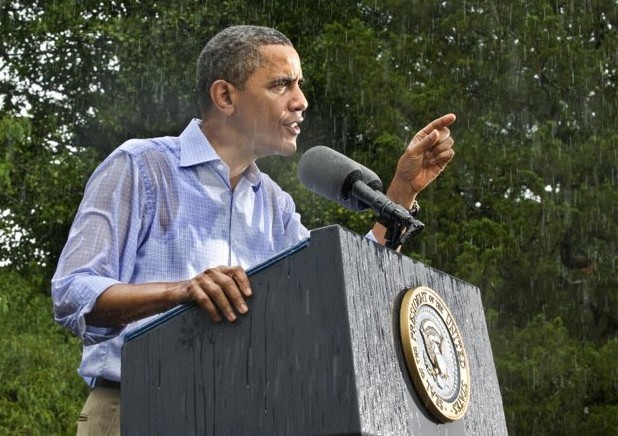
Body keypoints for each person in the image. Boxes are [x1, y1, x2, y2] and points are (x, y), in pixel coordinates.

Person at [51, 24, 455, 435]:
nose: (301, 102)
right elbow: (72, 292)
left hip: (242, 419)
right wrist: (179, 292)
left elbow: (338, 298)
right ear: (225, 96)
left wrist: (401, 192)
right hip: (137, 409)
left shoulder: (275, 205)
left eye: (300, 84)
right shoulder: (141, 166)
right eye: (282, 85)